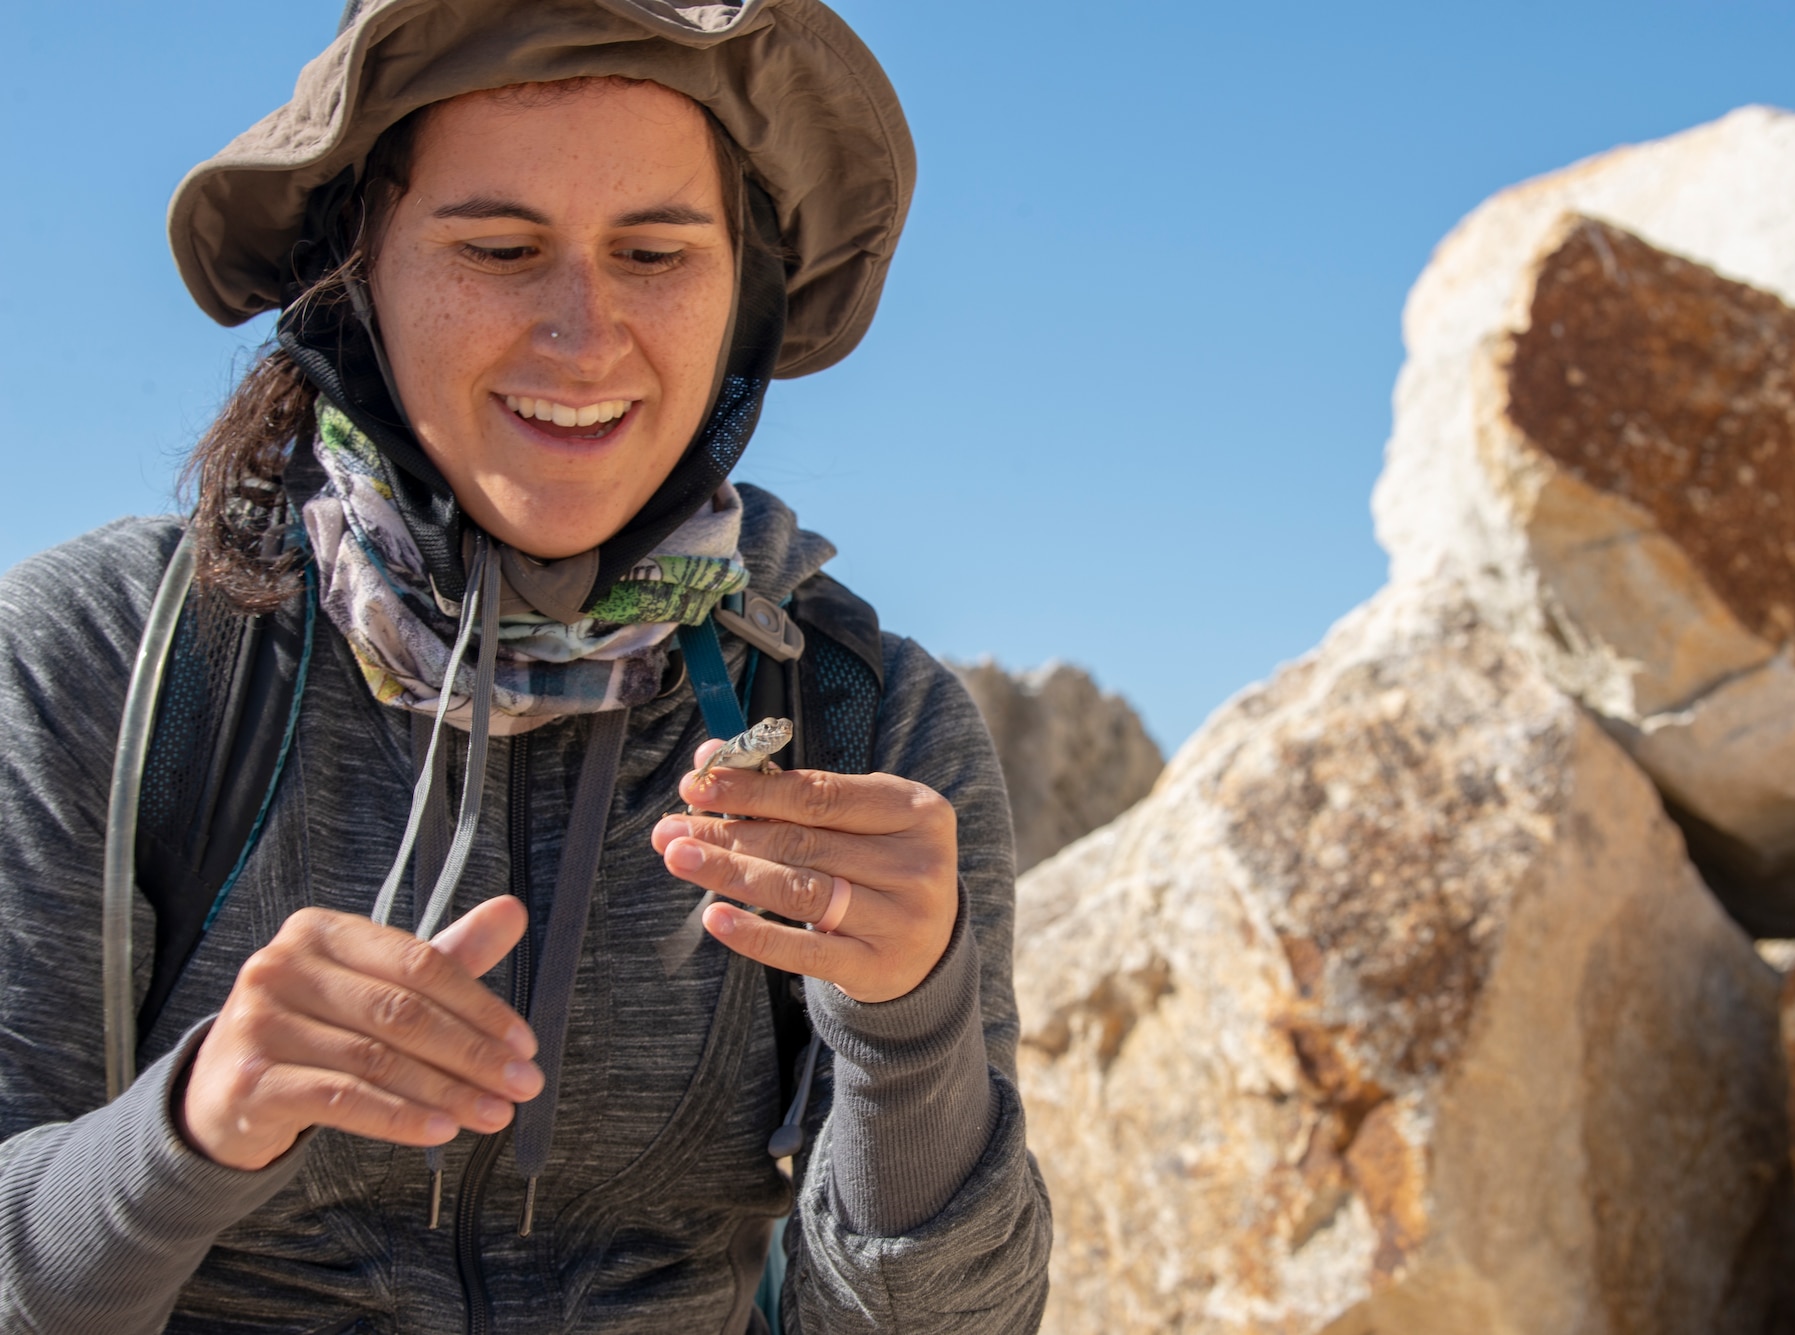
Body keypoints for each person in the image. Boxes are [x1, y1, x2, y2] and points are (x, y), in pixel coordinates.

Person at [0, 1, 1051, 1330]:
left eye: (657, 252)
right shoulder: (104, 665)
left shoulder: (865, 722)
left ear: (746, 293)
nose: (584, 330)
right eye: (499, 247)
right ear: (355, 266)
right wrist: (187, 1132)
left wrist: (911, 1028)